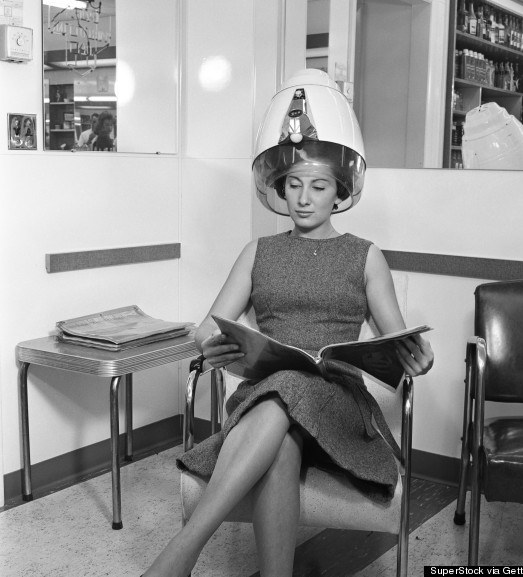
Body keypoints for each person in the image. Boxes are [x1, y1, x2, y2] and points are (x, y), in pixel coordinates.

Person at [142, 69, 434, 577]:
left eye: (318, 186)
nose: (303, 198)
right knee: (282, 432)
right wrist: (209, 345)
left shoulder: (365, 256)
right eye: (293, 184)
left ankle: (178, 556)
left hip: (339, 404)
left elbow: (396, 337)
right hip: (266, 399)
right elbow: (210, 325)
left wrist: (417, 359)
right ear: (279, 186)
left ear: (339, 189)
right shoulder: (258, 251)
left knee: (290, 389)